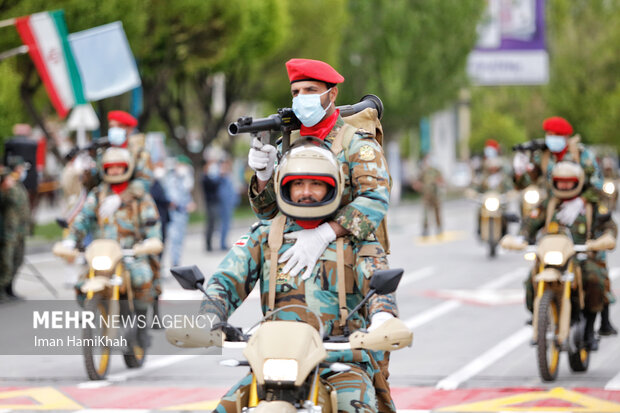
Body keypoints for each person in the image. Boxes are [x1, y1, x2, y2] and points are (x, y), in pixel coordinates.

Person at [202, 142, 398, 413]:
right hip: (274, 364)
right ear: (285, 187)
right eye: (298, 184)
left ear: (333, 187)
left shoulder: (357, 239)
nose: (306, 192)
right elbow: (225, 279)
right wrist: (209, 313)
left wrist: (383, 317)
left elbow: (379, 283)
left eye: (316, 184)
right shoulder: (266, 235)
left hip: (339, 363)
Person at [247, 58, 391, 280]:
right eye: (296, 92)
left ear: (332, 94)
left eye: (310, 90)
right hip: (293, 262)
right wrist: (263, 176)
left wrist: (324, 234)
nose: (302, 97)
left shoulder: (356, 144)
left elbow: (375, 199)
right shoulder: (286, 145)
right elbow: (268, 212)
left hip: (347, 263)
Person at [53, 147, 162, 345]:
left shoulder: (139, 196)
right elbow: (83, 218)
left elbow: (152, 223)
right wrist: (71, 239)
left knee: (142, 278)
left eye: (119, 167)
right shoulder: (97, 194)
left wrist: (150, 241)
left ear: (127, 168)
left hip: (130, 253)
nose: (114, 172)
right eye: (110, 168)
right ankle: (94, 311)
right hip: (102, 253)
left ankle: (140, 325)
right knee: (82, 284)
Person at [501, 161, 617, 349]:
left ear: (577, 182)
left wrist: (603, 240)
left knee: (594, 278)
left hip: (580, 256)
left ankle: (588, 329)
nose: (563, 185)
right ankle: (539, 317)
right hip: (550, 257)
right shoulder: (549, 203)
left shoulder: (590, 205)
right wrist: (521, 238)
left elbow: (608, 226)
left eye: (568, 181)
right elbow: (529, 224)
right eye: (560, 181)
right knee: (531, 280)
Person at [0, 156, 31, 301]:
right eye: (20, 168)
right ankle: (1, 291)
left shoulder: (18, 184)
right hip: (9, 230)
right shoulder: (6, 183)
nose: (22, 170)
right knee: (6, 262)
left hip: (20, 230)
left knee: (18, 260)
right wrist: (5, 185)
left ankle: (10, 289)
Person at [165, 155, 195, 267]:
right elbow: (173, 200)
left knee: (179, 240)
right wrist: (184, 206)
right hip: (175, 214)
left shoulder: (184, 179)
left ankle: (176, 262)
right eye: (182, 165)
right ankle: (174, 263)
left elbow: (186, 195)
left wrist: (190, 203)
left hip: (182, 215)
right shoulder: (172, 179)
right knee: (174, 239)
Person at [412, 155, 444, 236]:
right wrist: (418, 185)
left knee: (437, 213)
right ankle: (425, 229)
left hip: (435, 195)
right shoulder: (424, 171)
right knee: (426, 214)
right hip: (426, 195)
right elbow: (418, 182)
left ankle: (439, 228)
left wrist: (439, 183)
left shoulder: (436, 171)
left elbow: (442, 181)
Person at [216, 157, 240, 250]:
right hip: (223, 203)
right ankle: (222, 244)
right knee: (223, 224)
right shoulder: (220, 177)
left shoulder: (229, 175)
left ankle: (224, 242)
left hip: (229, 203)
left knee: (227, 224)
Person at [201, 159, 221, 251]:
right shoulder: (205, 178)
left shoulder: (207, 177)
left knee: (212, 224)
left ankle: (209, 244)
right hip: (210, 202)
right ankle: (208, 245)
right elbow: (213, 185)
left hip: (212, 202)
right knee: (210, 224)